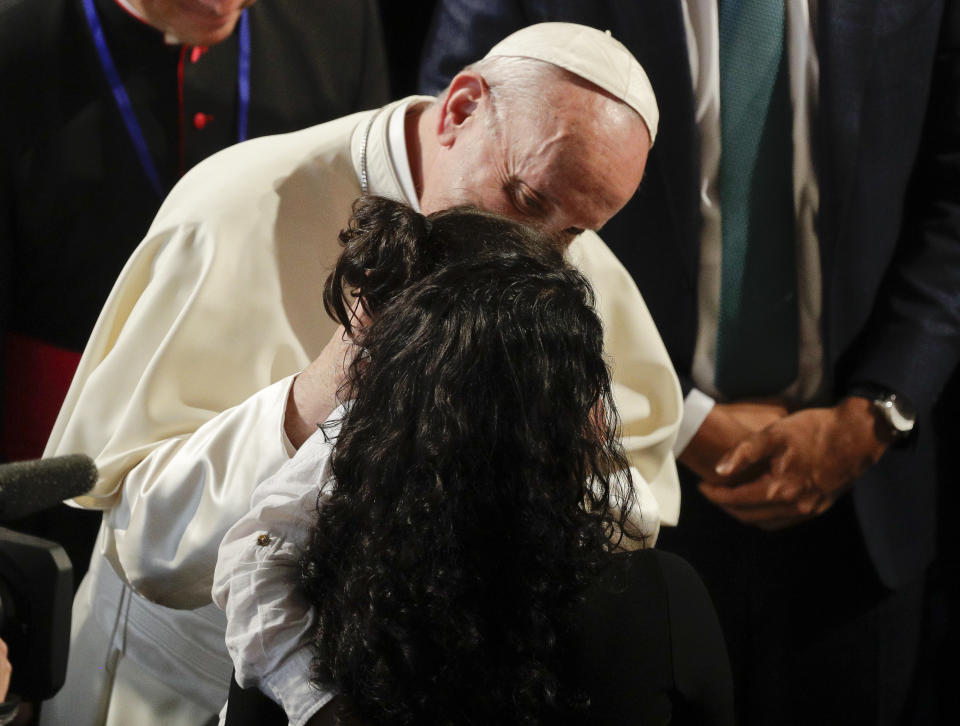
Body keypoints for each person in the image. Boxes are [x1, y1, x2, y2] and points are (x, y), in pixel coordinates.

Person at [42, 23, 683, 726]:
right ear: (461, 108)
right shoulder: (241, 204)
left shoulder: (565, 266)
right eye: (527, 201)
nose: (538, 249)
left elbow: (627, 503)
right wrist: (326, 385)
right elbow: (151, 537)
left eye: (575, 231)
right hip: (182, 686)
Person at [419, 2, 960, 724]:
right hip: (603, 491)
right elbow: (454, 191)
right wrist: (680, 419)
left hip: (857, 510)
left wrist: (875, 412)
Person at [213, 196, 733, 726]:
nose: (603, 417)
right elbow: (253, 558)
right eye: (577, 384)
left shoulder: (307, 612)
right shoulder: (652, 612)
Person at [0, 0, 390, 600]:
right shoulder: (16, 34)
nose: (220, 5)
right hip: (50, 467)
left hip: (260, 470)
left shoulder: (337, 21)